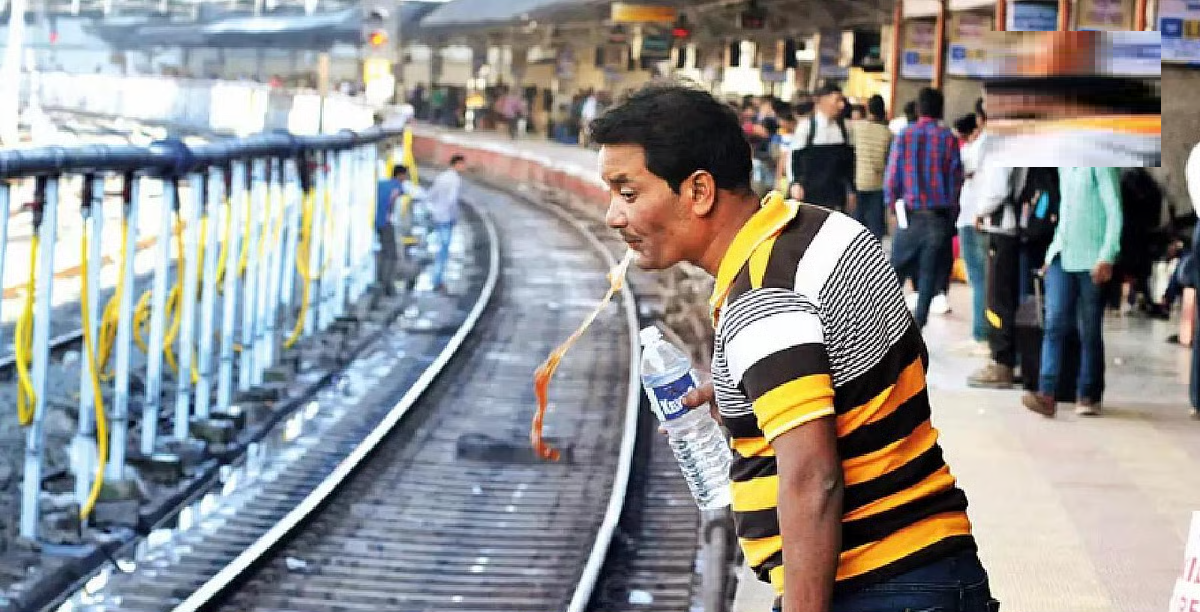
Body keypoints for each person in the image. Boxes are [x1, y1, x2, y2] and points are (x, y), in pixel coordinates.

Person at [590, 82, 994, 612]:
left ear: (699, 191)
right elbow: (854, 380)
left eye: (627, 193)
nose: (613, 217)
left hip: (875, 584)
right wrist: (747, 396)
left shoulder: (762, 298)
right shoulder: (821, 231)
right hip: (931, 566)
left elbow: (812, 480)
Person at [1023, 167, 1122, 418]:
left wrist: (1107, 255)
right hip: (1063, 256)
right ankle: (1047, 393)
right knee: (1054, 323)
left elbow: (1114, 211)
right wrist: (1051, 254)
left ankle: (1088, 393)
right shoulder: (1065, 167)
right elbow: (1066, 215)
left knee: (1088, 329)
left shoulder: (1101, 164)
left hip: (1093, 259)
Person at [885, 87, 964, 329]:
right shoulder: (948, 138)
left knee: (895, 271)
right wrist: (952, 215)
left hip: (910, 215)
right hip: (938, 216)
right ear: (940, 110)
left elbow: (892, 176)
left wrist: (892, 205)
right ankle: (918, 324)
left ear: (919, 108)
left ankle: (885, 322)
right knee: (929, 273)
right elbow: (956, 181)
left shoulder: (905, 135)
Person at [787, 83, 855, 213]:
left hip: (836, 196)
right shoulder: (807, 127)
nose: (841, 105)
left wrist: (851, 190)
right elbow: (793, 158)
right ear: (822, 101)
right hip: (809, 195)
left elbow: (849, 164)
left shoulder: (845, 129)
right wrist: (795, 183)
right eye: (837, 100)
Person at [952, 113, 988, 355]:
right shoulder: (980, 146)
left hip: (974, 218)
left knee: (979, 279)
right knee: (978, 279)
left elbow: (960, 168)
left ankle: (981, 334)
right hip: (972, 217)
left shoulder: (981, 146)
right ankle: (979, 332)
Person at [849, 95, 892, 239]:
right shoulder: (887, 133)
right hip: (878, 185)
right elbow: (888, 160)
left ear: (868, 110)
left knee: (856, 225)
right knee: (875, 226)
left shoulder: (857, 128)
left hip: (859, 183)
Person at [425, 155, 466, 293]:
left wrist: (433, 210)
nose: (464, 167)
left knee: (439, 248)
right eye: (462, 164)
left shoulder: (441, 177)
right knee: (443, 251)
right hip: (447, 218)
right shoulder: (455, 180)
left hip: (437, 216)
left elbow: (430, 196)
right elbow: (452, 201)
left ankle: (436, 279)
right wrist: (454, 218)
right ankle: (437, 280)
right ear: (457, 164)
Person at [374, 165, 417, 296]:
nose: (406, 178)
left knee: (384, 252)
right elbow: (414, 193)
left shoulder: (381, 184)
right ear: (400, 175)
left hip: (376, 222)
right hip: (387, 224)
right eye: (405, 176)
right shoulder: (397, 186)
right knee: (391, 255)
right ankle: (386, 285)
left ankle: (381, 280)